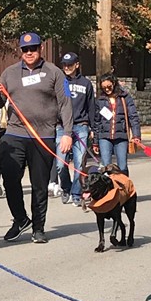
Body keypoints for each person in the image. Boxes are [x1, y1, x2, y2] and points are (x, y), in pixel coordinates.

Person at [0, 32, 72, 244]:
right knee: (10, 179)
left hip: (43, 136)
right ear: (20, 51)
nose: (29, 52)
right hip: (15, 133)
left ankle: (39, 228)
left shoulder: (54, 72)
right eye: (25, 49)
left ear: (41, 49)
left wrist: (67, 133)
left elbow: (65, 104)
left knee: (39, 184)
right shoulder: (9, 73)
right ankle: (20, 219)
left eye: (33, 48)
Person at [58, 52, 96, 205]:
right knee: (60, 164)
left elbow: (91, 107)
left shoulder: (86, 83)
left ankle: (76, 193)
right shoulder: (59, 82)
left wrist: (92, 128)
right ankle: (66, 188)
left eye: (70, 64)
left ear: (77, 65)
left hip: (81, 126)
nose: (67, 67)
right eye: (64, 65)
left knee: (79, 163)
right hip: (62, 127)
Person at [91, 73, 140, 172]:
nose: (107, 89)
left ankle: (124, 181)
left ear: (114, 83)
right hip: (104, 137)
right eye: (104, 88)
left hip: (121, 136)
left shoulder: (125, 97)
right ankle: (109, 182)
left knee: (122, 167)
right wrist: (95, 142)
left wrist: (136, 135)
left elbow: (133, 117)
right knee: (106, 167)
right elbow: (97, 122)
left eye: (109, 86)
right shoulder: (100, 100)